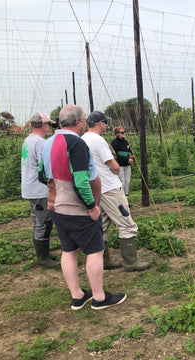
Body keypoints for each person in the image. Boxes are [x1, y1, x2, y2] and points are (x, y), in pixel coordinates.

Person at [39, 104, 126, 310]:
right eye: (85, 119)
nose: (86, 122)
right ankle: (99, 297)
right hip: (77, 209)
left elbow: (42, 176)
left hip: (56, 207)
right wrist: (91, 206)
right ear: (78, 121)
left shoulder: (47, 143)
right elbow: (80, 180)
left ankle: (77, 296)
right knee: (95, 250)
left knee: (69, 250)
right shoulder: (76, 144)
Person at [82, 111, 151, 272]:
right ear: (101, 123)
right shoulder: (98, 140)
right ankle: (131, 261)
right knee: (126, 223)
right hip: (110, 187)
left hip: (96, 189)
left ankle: (104, 260)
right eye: (106, 122)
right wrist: (116, 171)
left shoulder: (83, 139)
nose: (107, 125)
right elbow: (113, 165)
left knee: (103, 224)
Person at [21, 112, 60, 268]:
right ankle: (42, 257)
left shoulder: (29, 139)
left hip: (32, 187)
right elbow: (46, 166)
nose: (49, 128)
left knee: (41, 220)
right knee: (42, 222)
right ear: (43, 125)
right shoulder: (40, 143)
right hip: (39, 188)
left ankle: (44, 252)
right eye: (49, 125)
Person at [111, 126, 133, 197]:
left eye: (124, 132)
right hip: (120, 165)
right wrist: (126, 159)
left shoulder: (126, 142)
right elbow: (115, 155)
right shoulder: (114, 143)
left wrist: (132, 158)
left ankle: (126, 199)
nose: (124, 134)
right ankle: (121, 200)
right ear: (117, 134)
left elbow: (130, 152)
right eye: (122, 132)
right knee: (122, 182)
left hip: (127, 165)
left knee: (127, 182)